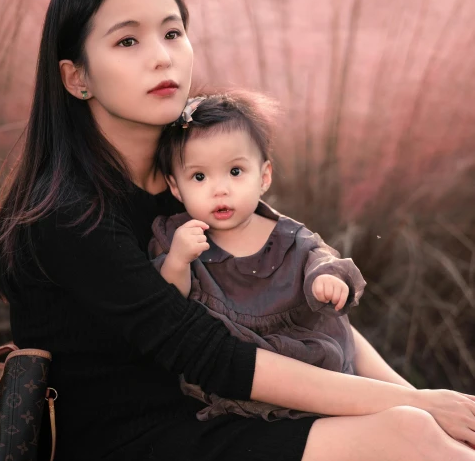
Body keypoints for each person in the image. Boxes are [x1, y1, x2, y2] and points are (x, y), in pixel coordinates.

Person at [0, 0, 475, 461]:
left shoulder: (193, 177)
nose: (162, 55)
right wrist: (417, 404)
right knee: (410, 442)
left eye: (172, 31)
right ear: (78, 78)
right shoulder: (68, 216)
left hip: (215, 429)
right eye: (127, 40)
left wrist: (426, 403)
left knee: (427, 453)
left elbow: (293, 293)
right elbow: (217, 359)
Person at [149, 91, 366, 423]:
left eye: (235, 172)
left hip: (305, 370)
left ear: (263, 177)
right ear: (176, 188)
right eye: (199, 177)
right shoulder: (177, 238)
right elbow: (166, 306)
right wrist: (177, 260)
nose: (219, 189)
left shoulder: (288, 237)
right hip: (235, 383)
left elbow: (318, 257)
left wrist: (326, 278)